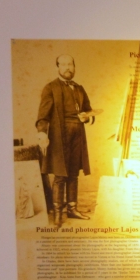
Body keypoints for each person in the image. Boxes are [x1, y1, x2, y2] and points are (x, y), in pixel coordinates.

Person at [35, 54, 96, 225]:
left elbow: (89, 110)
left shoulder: (79, 88)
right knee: (60, 175)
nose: (68, 68)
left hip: (77, 135)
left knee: (74, 174)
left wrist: (87, 117)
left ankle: (72, 209)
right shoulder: (50, 88)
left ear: (74, 67)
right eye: (64, 64)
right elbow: (43, 115)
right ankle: (57, 212)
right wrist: (42, 133)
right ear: (58, 67)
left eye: (70, 64)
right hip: (58, 136)